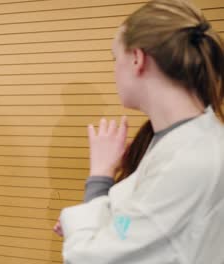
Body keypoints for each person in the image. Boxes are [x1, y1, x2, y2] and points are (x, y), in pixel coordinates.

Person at [53, 0, 224, 263]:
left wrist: (99, 175)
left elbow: (90, 259)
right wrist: (92, 218)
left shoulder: (189, 161)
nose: (114, 69)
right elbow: (133, 226)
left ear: (137, 58)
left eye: (115, 57)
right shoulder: (179, 142)